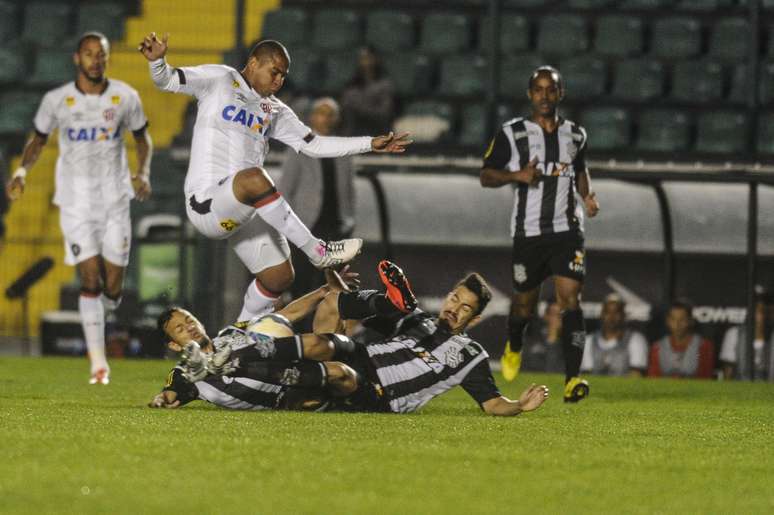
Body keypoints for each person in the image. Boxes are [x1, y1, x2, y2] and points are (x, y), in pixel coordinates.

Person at [138, 33, 411, 321]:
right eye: (275, 72)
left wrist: (369, 143)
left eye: (283, 75)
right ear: (254, 63)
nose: (279, 80)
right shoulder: (220, 79)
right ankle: (318, 251)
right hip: (206, 202)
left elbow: (313, 145)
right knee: (256, 178)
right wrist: (157, 61)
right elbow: (167, 80)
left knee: (279, 278)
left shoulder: (275, 110)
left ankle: (235, 341)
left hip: (243, 205)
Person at [6, 32, 152, 385]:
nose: (95, 60)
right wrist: (22, 171)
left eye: (100, 54)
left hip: (115, 199)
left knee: (113, 285)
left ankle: (109, 309)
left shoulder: (125, 96)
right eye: (88, 54)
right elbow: (38, 141)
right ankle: (98, 364)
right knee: (89, 277)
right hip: (75, 202)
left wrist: (143, 172)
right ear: (77, 59)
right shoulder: (56, 100)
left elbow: (142, 138)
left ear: (107, 59)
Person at [480, 65, 600, 402]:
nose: (545, 96)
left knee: (570, 299)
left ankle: (573, 378)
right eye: (539, 89)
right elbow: (486, 175)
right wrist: (516, 175)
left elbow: (580, 170)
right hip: (528, 233)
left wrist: (587, 196)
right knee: (524, 306)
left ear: (561, 94)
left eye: (552, 89)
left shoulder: (576, 134)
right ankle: (514, 343)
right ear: (530, 94)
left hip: (567, 230)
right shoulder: (512, 133)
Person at [149, 269, 361, 410]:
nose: (189, 327)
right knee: (327, 384)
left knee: (334, 299)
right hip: (289, 395)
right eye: (180, 328)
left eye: (189, 320)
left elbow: (285, 315)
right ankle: (354, 388)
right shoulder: (186, 371)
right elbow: (170, 393)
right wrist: (161, 399)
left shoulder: (230, 333)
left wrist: (325, 289)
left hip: (301, 362)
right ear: (174, 344)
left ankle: (355, 363)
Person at [277, 97, 356, 303]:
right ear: (312, 117)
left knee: (334, 284)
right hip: (306, 225)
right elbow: (286, 189)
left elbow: (348, 190)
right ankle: (302, 328)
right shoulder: (298, 148)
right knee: (302, 283)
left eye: (331, 114)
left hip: (336, 227)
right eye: (321, 113)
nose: (326, 119)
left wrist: (349, 220)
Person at [581, 293, 649, 377]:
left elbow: (636, 374)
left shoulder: (636, 339)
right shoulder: (589, 341)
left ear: (623, 315)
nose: (611, 317)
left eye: (616, 312)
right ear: (602, 315)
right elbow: (586, 375)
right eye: (607, 312)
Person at [648, 299, 715, 379]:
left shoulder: (703, 346)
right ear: (667, 321)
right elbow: (653, 378)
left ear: (691, 321)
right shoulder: (657, 347)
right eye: (673, 319)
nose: (677, 324)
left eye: (682, 320)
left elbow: (705, 377)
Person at [720, 288, 774, 381]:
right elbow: (728, 374)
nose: (765, 316)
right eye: (760, 311)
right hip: (740, 392)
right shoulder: (734, 334)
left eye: (769, 312)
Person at [340, 46, 396, 136]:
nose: (366, 62)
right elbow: (345, 107)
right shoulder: (351, 85)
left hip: (376, 126)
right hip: (354, 127)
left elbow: (385, 112)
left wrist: (360, 109)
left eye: (368, 58)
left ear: (375, 59)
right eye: (362, 58)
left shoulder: (385, 84)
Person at [521, 301, 564, 374]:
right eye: (552, 314)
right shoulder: (533, 337)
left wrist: (552, 339)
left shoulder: (569, 341)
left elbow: (555, 371)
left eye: (559, 316)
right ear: (545, 316)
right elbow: (526, 368)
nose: (555, 319)